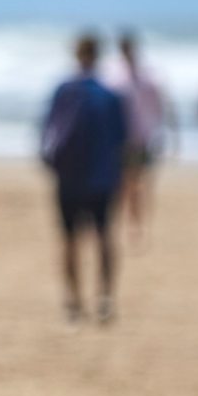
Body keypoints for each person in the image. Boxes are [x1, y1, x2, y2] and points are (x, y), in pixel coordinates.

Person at [40, 32, 127, 323]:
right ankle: (104, 298)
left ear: (76, 54)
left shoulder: (63, 91)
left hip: (69, 176)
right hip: (102, 176)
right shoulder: (110, 95)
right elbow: (121, 141)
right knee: (104, 237)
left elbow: (47, 133)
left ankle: (73, 302)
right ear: (98, 55)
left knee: (69, 240)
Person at [109, 30, 175, 246]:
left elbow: (161, 108)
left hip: (143, 137)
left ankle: (138, 225)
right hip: (121, 138)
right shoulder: (114, 75)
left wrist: (165, 132)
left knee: (140, 184)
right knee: (125, 184)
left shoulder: (147, 76)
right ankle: (130, 224)